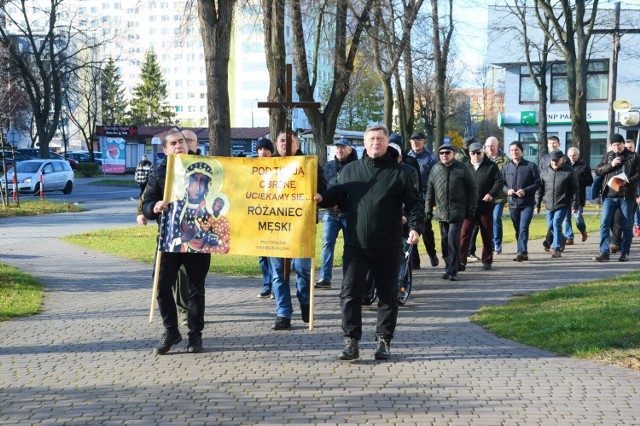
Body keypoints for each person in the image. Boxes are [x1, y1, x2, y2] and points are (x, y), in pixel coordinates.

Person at [315, 124, 423, 361]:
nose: (376, 142)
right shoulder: (351, 170)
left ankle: (383, 341)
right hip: (356, 246)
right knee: (350, 294)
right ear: (364, 143)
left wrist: (415, 227)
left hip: (389, 244)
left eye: (380, 139)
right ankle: (351, 341)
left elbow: (415, 203)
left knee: (388, 295)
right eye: (371, 139)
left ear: (387, 142)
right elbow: (337, 195)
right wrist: (322, 198)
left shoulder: (401, 172)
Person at [142, 129, 212, 355]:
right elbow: (147, 202)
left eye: (181, 141)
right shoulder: (159, 171)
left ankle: (195, 336)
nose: (179, 145)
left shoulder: (203, 167)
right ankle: (171, 331)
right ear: (165, 149)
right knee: (161, 287)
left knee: (195, 289)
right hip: (168, 239)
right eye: (173, 143)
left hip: (197, 240)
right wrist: (154, 207)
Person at [269, 130, 327, 331]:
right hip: (273, 229)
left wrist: (320, 196)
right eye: (282, 141)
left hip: (301, 227)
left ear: (298, 144)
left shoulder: (309, 164)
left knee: (302, 268)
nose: (285, 144)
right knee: (278, 272)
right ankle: (283, 312)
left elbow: (323, 188)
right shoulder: (265, 166)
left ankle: (304, 301)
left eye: (290, 141)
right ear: (276, 144)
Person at [425, 143, 477, 281]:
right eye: (441, 153)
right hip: (442, 213)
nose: (444, 155)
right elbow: (430, 191)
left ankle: (453, 270)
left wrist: (471, 209)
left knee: (452, 240)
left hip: (457, 211)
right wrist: (428, 210)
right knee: (444, 241)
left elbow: (472, 189)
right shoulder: (435, 169)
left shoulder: (462, 168)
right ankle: (448, 267)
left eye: (447, 152)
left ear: (453, 154)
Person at [315, 138, 358, 290]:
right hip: (330, 213)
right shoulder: (329, 166)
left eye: (343, 147)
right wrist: (327, 200)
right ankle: (325, 278)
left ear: (350, 150)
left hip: (348, 213)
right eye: (337, 147)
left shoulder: (356, 167)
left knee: (349, 246)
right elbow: (325, 186)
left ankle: (349, 278)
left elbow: (355, 190)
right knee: (327, 244)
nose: (339, 150)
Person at [593, 133, 640, 262]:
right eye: (614, 145)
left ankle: (625, 253)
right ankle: (604, 252)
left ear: (623, 144)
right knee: (604, 223)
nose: (616, 148)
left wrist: (627, 181)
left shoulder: (633, 156)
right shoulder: (609, 156)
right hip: (609, 196)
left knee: (627, 225)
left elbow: (638, 175)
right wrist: (611, 165)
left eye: (618, 145)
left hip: (626, 196)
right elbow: (598, 171)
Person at [459, 142, 503, 271]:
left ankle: (487, 261)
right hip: (469, 207)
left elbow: (499, 181)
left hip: (485, 205)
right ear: (469, 154)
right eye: (473, 153)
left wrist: (491, 194)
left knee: (486, 233)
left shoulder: (491, 166)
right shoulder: (464, 167)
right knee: (465, 234)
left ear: (483, 153)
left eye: (478, 153)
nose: (476, 155)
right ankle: (461, 261)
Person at [535, 150, 579, 258]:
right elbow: (540, 189)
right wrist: (537, 204)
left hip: (563, 203)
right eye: (552, 161)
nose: (554, 163)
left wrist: (574, 205)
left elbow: (575, 189)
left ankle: (556, 248)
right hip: (549, 204)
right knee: (550, 226)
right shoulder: (544, 172)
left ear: (562, 160)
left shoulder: (569, 171)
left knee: (556, 224)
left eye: (556, 161)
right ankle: (562, 238)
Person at [502, 141, 541, 262]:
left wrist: (525, 191)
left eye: (516, 150)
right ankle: (524, 251)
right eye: (512, 150)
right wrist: (507, 190)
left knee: (523, 227)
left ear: (522, 151)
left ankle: (519, 252)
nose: (514, 152)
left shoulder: (531, 166)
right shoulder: (506, 167)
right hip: (513, 203)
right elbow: (501, 184)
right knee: (518, 229)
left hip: (527, 203)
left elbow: (538, 183)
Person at [406, 131, 439, 268]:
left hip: (425, 196)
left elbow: (436, 179)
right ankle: (415, 261)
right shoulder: (406, 157)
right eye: (413, 140)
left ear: (424, 141)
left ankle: (431, 253)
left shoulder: (431, 158)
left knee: (425, 227)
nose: (415, 142)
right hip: (409, 196)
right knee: (410, 228)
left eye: (418, 140)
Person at [255, 137, 275, 298]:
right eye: (260, 150)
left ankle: (276, 285)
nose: (262, 152)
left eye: (265, 149)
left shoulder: (278, 167)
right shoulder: (252, 168)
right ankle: (266, 284)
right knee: (262, 254)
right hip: (258, 215)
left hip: (274, 215)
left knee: (274, 253)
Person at [484, 137, 510, 254]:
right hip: (485, 196)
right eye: (488, 146)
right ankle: (489, 244)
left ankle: (497, 243)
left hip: (499, 196)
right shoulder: (482, 158)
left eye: (493, 145)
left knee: (496, 219)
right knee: (486, 221)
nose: (491, 148)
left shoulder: (505, 160)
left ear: (498, 145)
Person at [562, 147, 593, 244]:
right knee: (566, 218)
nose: (572, 157)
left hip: (578, 196)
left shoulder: (584, 166)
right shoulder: (564, 166)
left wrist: (577, 179)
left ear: (578, 156)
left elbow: (590, 180)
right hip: (565, 196)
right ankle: (569, 237)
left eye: (574, 155)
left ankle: (582, 230)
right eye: (570, 155)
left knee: (577, 216)